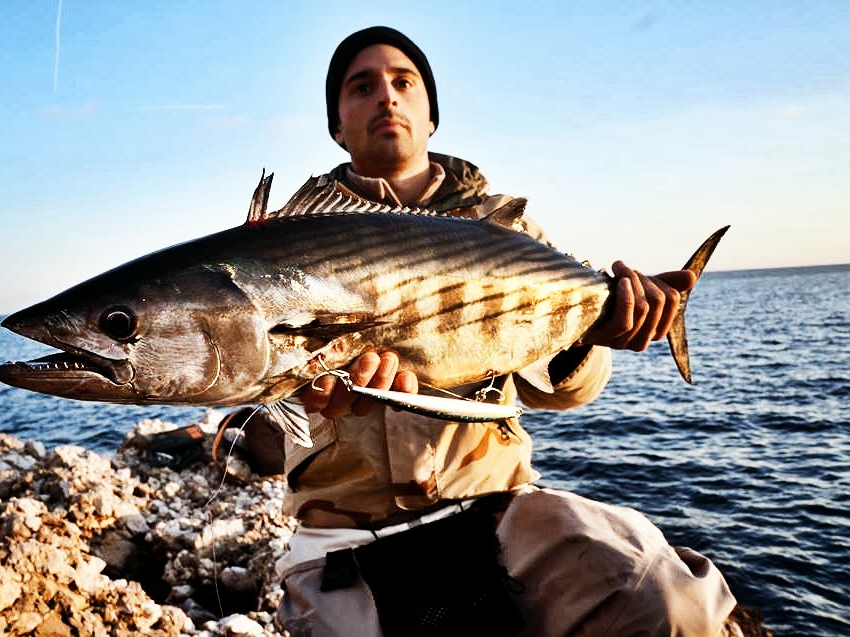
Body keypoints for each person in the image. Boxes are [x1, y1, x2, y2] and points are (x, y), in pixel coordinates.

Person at [272, 26, 737, 636]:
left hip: (497, 507)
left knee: (669, 603)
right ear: (337, 124)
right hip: (339, 535)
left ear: (431, 116)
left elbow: (570, 392)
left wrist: (592, 333)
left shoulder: (504, 228)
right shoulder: (290, 240)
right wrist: (300, 394)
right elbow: (246, 398)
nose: (386, 96)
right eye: (362, 87)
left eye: (403, 82)